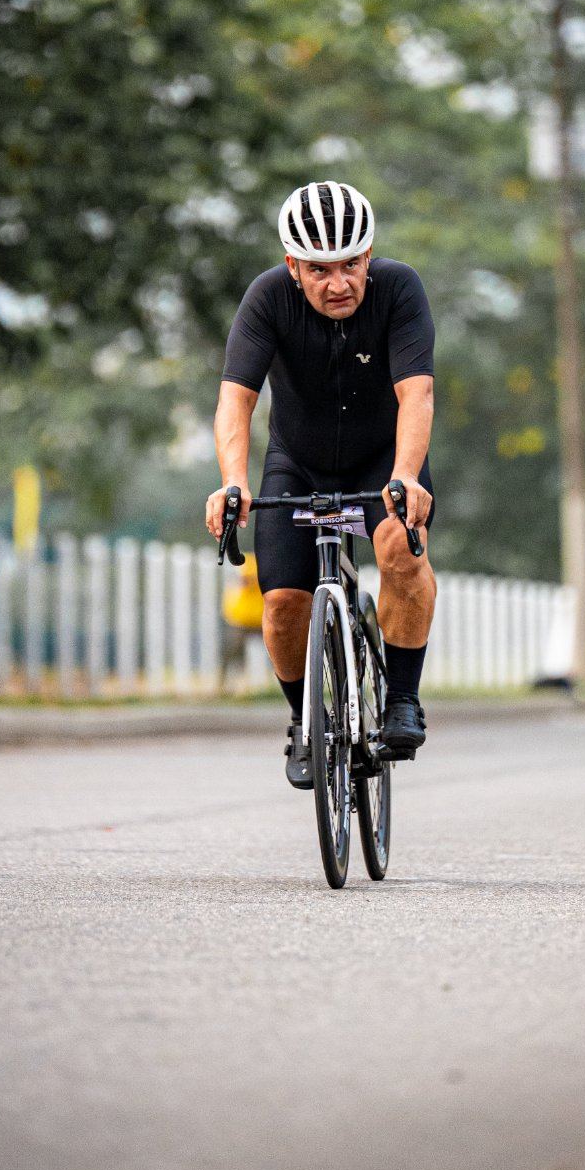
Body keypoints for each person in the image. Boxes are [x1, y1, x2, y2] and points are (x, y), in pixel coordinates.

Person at [205, 180, 437, 789]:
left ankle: (403, 698)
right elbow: (236, 402)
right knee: (281, 603)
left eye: (351, 265)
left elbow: (417, 393)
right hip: (298, 463)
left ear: (369, 256)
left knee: (398, 550)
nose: (339, 283)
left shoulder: (399, 289)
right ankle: (305, 721)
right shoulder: (265, 300)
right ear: (292, 267)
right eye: (319, 270)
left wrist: (406, 475)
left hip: (383, 461)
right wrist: (232, 482)